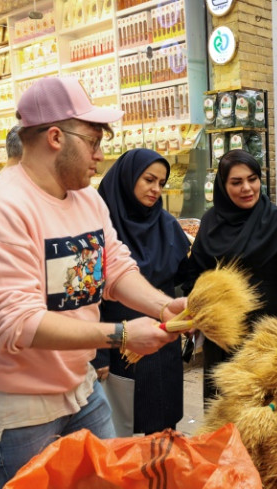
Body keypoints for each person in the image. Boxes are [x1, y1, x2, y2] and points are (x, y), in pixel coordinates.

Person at [0, 77, 186, 489]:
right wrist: (121, 334)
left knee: (108, 480)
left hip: (78, 387)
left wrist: (160, 306)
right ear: (56, 137)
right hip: (17, 406)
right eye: (94, 140)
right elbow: (16, 323)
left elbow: (113, 268)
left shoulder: (87, 199)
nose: (101, 155)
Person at [184, 149, 277, 402]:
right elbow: (195, 275)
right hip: (225, 335)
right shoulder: (210, 222)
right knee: (226, 412)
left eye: (252, 179)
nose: (247, 188)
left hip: (272, 331)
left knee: (270, 412)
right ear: (223, 185)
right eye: (236, 182)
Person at [91, 149, 191, 437]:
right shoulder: (101, 227)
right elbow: (91, 295)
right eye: (149, 180)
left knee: (162, 429)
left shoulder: (167, 224)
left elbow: (187, 275)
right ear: (128, 178)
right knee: (121, 435)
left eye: (161, 183)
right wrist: (98, 354)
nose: (155, 189)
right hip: (119, 345)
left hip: (162, 341)